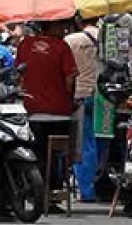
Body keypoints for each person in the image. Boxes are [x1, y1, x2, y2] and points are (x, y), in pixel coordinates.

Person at [16, 20, 78, 200]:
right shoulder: (61, 46)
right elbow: (70, 80)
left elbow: (18, 75)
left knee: (37, 152)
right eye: (61, 25)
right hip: (59, 113)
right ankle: (52, 192)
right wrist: (69, 98)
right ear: (51, 26)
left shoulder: (25, 45)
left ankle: (36, 191)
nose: (64, 29)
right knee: (57, 156)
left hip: (31, 111)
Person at [64, 16, 102, 201]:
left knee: (79, 143)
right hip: (97, 94)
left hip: (77, 95)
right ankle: (93, 185)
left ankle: (85, 190)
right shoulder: (103, 36)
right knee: (93, 141)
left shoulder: (71, 40)